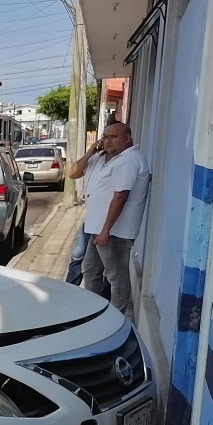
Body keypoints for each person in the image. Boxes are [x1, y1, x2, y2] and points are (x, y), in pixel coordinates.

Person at [66, 121, 150, 319]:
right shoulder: (99, 158)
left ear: (127, 139)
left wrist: (105, 230)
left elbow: (121, 196)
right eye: (105, 136)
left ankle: (116, 319)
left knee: (116, 277)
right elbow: (73, 173)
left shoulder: (129, 160)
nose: (107, 141)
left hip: (114, 232)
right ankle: (93, 312)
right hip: (97, 228)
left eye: (113, 137)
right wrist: (89, 153)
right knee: (90, 269)